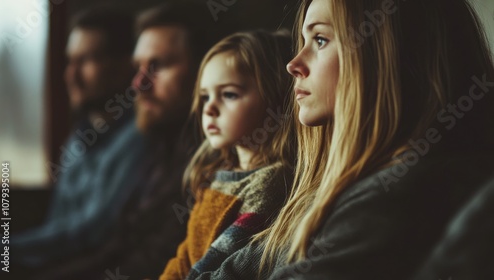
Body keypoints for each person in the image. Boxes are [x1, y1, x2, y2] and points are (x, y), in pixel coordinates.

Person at [188, 0, 494, 279]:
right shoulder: (329, 194)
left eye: (320, 39)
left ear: (390, 55)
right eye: (304, 41)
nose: (293, 64)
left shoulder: (396, 197)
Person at [28, 2, 234, 280]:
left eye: (158, 65)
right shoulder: (159, 145)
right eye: (138, 67)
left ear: (204, 69)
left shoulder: (218, 159)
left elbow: (148, 262)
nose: (139, 84)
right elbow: (116, 246)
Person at [0, 7, 144, 276]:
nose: (71, 75)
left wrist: (4, 251)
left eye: (86, 60)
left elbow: (88, 236)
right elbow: (57, 226)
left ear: (124, 66)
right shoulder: (79, 137)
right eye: (69, 61)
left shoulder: (138, 139)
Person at [159, 30, 296, 280]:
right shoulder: (219, 174)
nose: (209, 108)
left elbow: (216, 262)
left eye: (229, 94)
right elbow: (186, 256)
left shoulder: (270, 184)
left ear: (276, 99)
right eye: (204, 96)